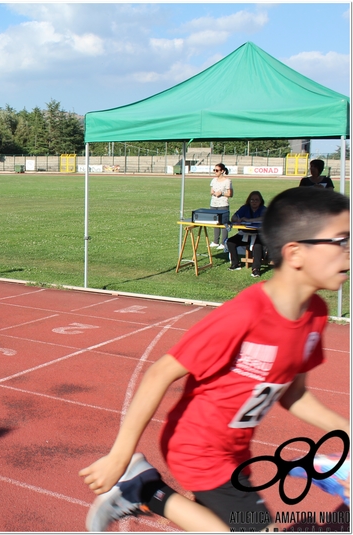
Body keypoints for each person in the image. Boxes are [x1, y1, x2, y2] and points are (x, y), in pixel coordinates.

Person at [79, 186, 350, 532]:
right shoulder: (244, 316)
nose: (348, 252)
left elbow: (293, 395)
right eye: (340, 241)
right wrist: (118, 455)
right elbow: (160, 373)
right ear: (295, 253)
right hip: (196, 445)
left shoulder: (315, 315)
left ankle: (146, 488)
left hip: (235, 449)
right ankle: (144, 488)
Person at [227, 191, 267, 277]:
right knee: (230, 242)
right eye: (252, 200)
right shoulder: (244, 208)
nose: (254, 202)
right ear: (249, 201)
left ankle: (256, 269)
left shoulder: (263, 209)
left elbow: (265, 218)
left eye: (256, 200)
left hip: (258, 234)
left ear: (260, 201)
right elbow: (234, 217)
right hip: (245, 234)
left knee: (257, 246)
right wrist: (236, 219)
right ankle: (235, 264)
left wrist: (249, 220)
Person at [208, 163, 233, 249]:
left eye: (217, 170)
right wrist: (213, 192)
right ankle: (215, 241)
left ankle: (224, 242)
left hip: (223, 204)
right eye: (214, 170)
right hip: (214, 203)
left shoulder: (227, 181)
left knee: (224, 223)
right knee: (215, 222)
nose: (215, 172)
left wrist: (221, 193)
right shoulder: (213, 180)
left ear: (222, 171)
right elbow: (211, 191)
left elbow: (230, 193)